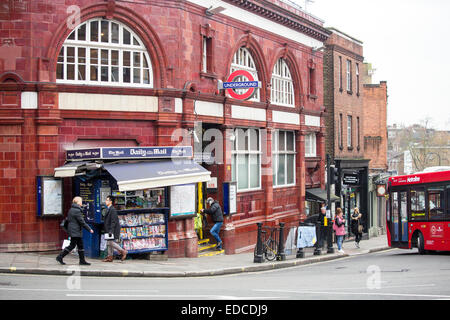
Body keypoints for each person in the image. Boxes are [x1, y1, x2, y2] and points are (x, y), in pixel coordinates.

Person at [56, 196, 94, 265]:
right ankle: (60, 256)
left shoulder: (72, 209)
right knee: (72, 245)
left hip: (74, 230)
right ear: (78, 202)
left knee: (80, 245)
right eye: (81, 201)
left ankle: (82, 261)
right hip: (75, 231)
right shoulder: (77, 211)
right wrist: (89, 229)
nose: (82, 202)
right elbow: (82, 222)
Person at [103, 195, 127, 262]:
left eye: (107, 200)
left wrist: (111, 231)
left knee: (110, 243)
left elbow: (113, 221)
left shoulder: (112, 210)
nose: (106, 201)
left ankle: (122, 251)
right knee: (109, 242)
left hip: (112, 229)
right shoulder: (109, 209)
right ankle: (110, 257)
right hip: (109, 229)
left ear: (111, 201)